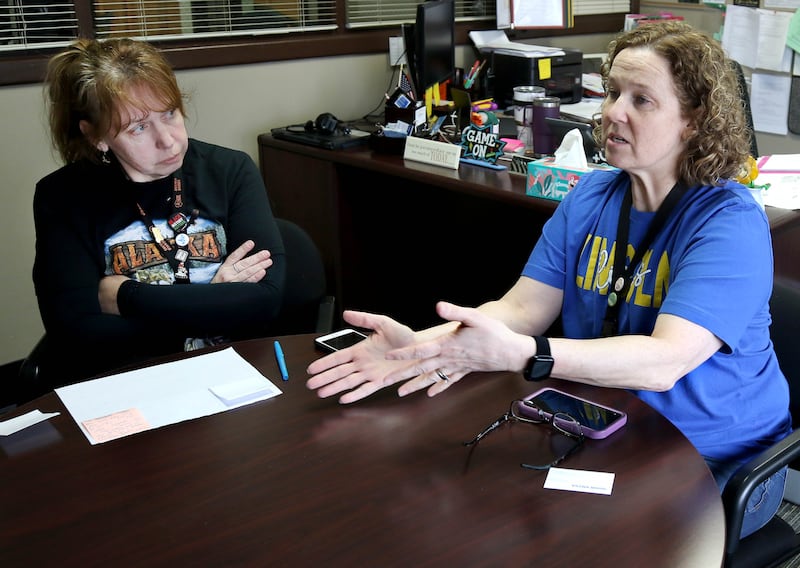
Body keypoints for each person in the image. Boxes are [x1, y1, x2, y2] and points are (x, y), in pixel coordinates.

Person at [307, 21, 792, 538]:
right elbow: (520, 310)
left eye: (641, 100)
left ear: (693, 121)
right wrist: (422, 347)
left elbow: (664, 362)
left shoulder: (727, 220)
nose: (612, 112)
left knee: (586, 542)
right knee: (475, 509)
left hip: (718, 459)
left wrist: (523, 354)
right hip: (605, 424)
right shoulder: (592, 196)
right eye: (611, 93)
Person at [33, 38, 286, 387]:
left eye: (170, 113)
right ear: (96, 136)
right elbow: (76, 329)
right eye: (138, 127)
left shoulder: (229, 170)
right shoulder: (63, 196)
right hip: (125, 379)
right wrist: (216, 299)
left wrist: (125, 296)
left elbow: (265, 302)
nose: (168, 140)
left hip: (232, 374)